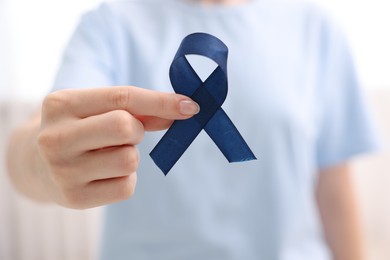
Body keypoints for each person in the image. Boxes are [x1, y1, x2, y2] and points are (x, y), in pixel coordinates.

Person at [6, 0, 380, 259]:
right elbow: (46, 134)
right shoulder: (111, 24)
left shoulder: (316, 27)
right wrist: (41, 162)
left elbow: (334, 190)